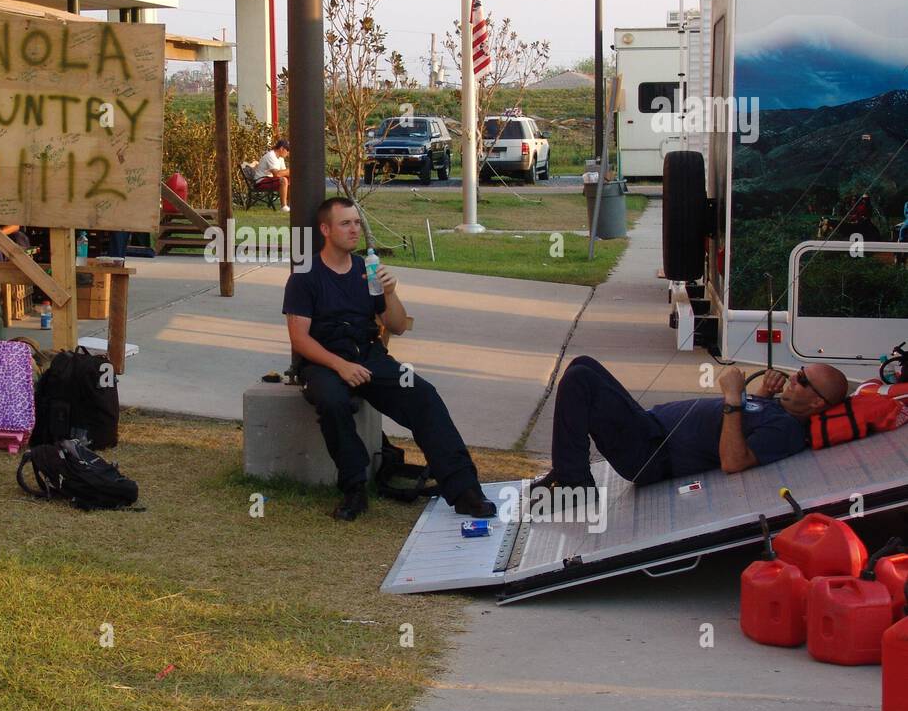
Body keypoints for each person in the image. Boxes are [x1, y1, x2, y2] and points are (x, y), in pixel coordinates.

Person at [283, 196, 497, 521]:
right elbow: (299, 338)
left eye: (357, 222)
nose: (354, 229)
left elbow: (397, 325)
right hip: (324, 359)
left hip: (368, 354)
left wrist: (389, 292)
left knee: (423, 394)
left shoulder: (366, 271)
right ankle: (355, 489)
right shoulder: (306, 275)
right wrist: (340, 365)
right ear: (326, 229)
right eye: (345, 223)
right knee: (332, 400)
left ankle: (465, 490)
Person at [535, 355, 849, 489]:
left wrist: (733, 398)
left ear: (817, 402)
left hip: (651, 455)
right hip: (649, 428)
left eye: (803, 380)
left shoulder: (789, 431)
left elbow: (734, 460)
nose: (795, 377)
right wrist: (762, 395)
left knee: (579, 379)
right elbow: (746, 423)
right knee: (583, 365)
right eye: (799, 371)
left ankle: (573, 481)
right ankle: (568, 472)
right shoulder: (778, 411)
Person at [255, 139, 292, 212]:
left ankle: (290, 205)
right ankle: (283, 207)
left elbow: (284, 172)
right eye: (287, 150)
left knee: (290, 179)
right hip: (261, 181)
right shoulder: (271, 156)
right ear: (281, 148)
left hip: (270, 180)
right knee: (284, 180)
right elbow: (277, 174)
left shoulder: (280, 158)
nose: (288, 153)